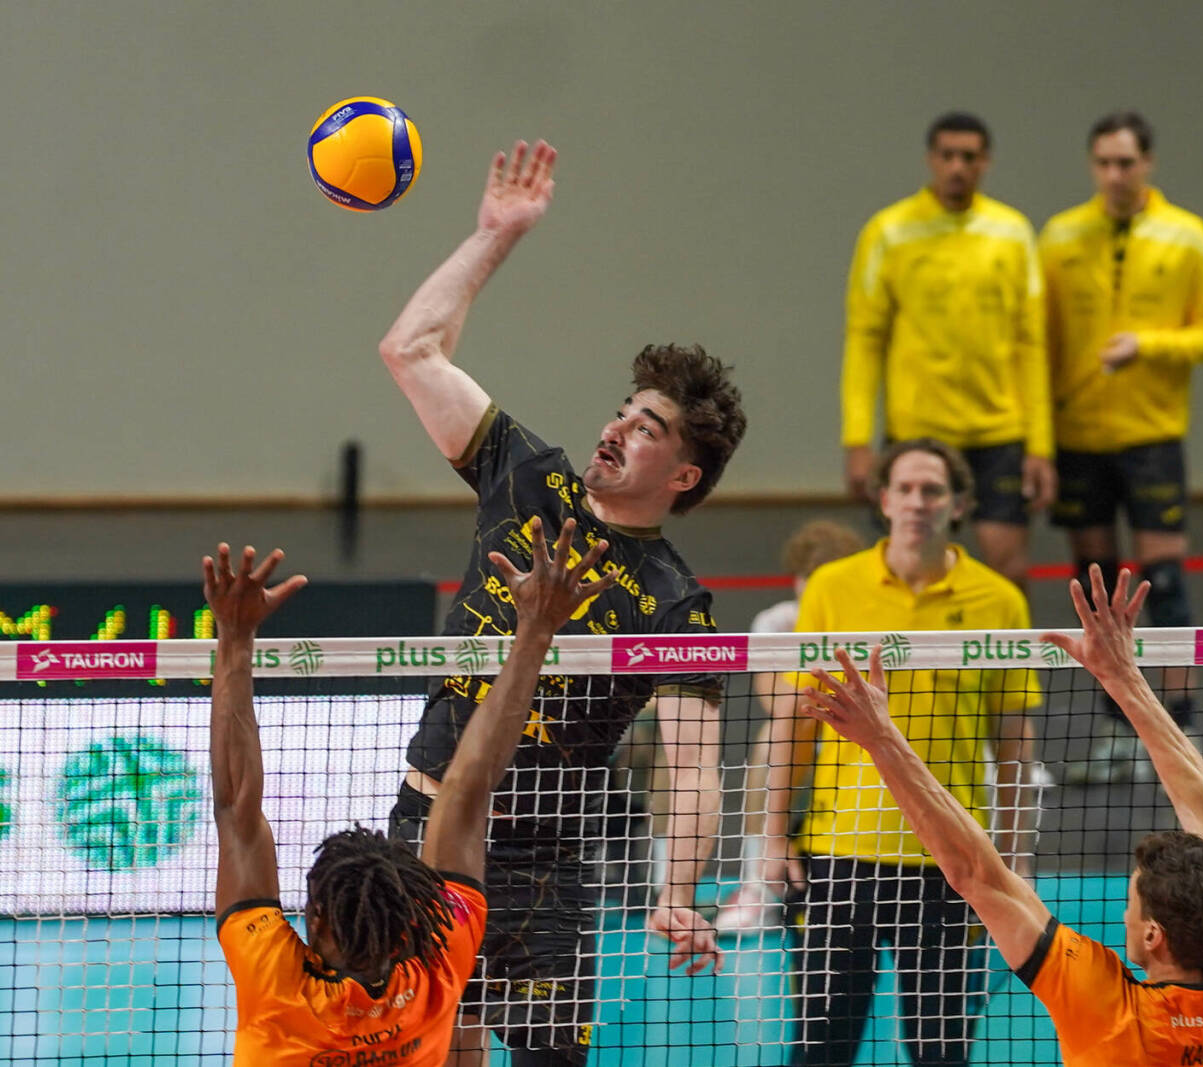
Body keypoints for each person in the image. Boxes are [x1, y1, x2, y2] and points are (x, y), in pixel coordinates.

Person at [376, 140, 747, 1066]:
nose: (617, 427)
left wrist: (679, 889)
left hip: (540, 866)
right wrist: (495, 234)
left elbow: (694, 769)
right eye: (624, 409)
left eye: (648, 428)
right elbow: (409, 350)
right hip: (423, 830)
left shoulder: (676, 603)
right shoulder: (527, 478)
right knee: (427, 1052)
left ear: (684, 474)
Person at [797, 565, 1203, 1066]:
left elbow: (976, 873)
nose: (1126, 915)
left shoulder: (1109, 1007)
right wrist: (1123, 677)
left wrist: (882, 740)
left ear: (1152, 935)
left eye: (1133, 905)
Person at [207, 524, 615, 1065]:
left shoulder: (274, 977)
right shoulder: (437, 962)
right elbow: (470, 785)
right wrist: (538, 629)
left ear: (317, 919)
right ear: (407, 931)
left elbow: (236, 806)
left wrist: (234, 639)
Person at [760, 439, 1041, 1067]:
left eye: (933, 490)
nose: (918, 502)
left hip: (953, 864)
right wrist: (773, 839)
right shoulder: (833, 588)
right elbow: (796, 722)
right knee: (820, 1051)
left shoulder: (999, 600)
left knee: (941, 1052)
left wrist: (1015, 858)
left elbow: (1015, 744)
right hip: (840, 860)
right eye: (906, 489)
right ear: (884, 500)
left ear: (959, 505)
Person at [1040, 110, 1203, 784]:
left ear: (1147, 163)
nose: (1115, 174)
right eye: (1104, 163)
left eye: (1126, 162)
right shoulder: (1060, 237)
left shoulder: (1189, 237)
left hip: (1152, 435)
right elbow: (1041, 338)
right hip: (1078, 438)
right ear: (1092, 165)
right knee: (1096, 588)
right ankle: (1117, 729)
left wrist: (1148, 344)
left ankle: (1180, 725)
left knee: (1166, 584)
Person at [840, 111, 1054, 588]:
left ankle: (1004, 644)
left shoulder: (1013, 232)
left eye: (969, 157)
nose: (958, 166)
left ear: (986, 162)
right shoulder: (888, 231)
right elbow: (865, 339)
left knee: (1008, 571)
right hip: (917, 431)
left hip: (998, 431)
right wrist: (857, 439)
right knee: (908, 568)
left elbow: (1031, 343)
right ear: (930, 159)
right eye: (948, 155)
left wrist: (1040, 445)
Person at [713, 519, 866, 934]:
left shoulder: (865, 622)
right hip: (801, 734)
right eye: (805, 576)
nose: (810, 586)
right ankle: (758, 886)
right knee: (769, 743)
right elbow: (775, 702)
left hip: (854, 739)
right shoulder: (778, 622)